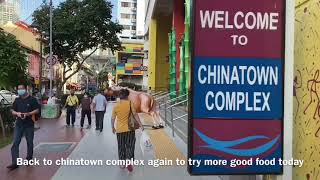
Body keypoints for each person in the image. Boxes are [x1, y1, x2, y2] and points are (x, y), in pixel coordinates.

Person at [7, 84, 39, 170]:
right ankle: (15, 162)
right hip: (19, 124)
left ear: (26, 89)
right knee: (15, 143)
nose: (20, 90)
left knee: (29, 142)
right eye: (18, 89)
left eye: (21, 89)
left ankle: (29, 159)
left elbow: (37, 110)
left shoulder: (32, 99)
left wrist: (28, 114)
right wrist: (17, 113)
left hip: (29, 124)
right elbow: (12, 110)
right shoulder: (17, 100)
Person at [111, 89, 144, 172]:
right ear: (127, 96)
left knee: (121, 146)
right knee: (130, 145)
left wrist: (112, 127)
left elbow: (113, 118)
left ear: (120, 96)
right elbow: (135, 115)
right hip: (130, 129)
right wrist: (141, 125)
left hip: (120, 130)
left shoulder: (116, 105)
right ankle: (129, 160)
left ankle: (122, 163)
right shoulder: (130, 103)